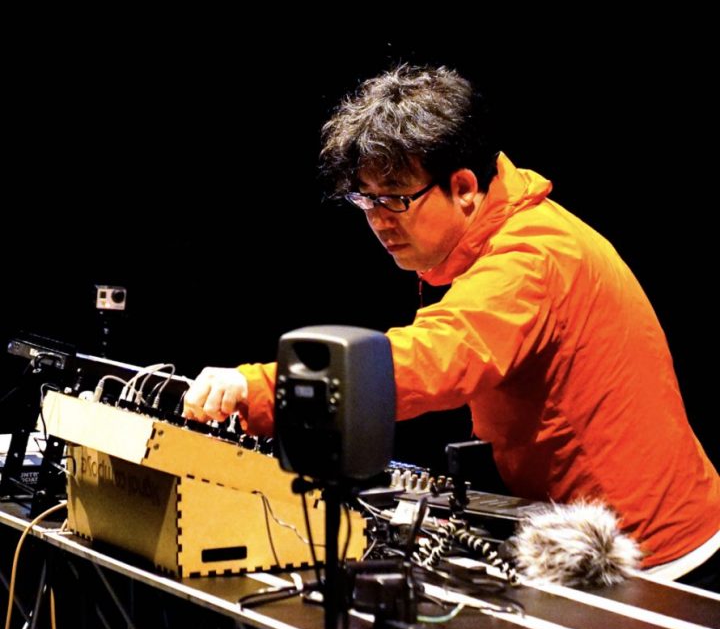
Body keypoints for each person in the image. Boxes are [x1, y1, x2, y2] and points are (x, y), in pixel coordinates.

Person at [183, 64, 720, 587]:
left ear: (463, 187)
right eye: (365, 198)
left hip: (654, 557)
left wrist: (262, 389)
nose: (378, 220)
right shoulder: (503, 234)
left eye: (396, 198)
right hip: (586, 534)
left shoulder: (531, 257)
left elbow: (438, 354)